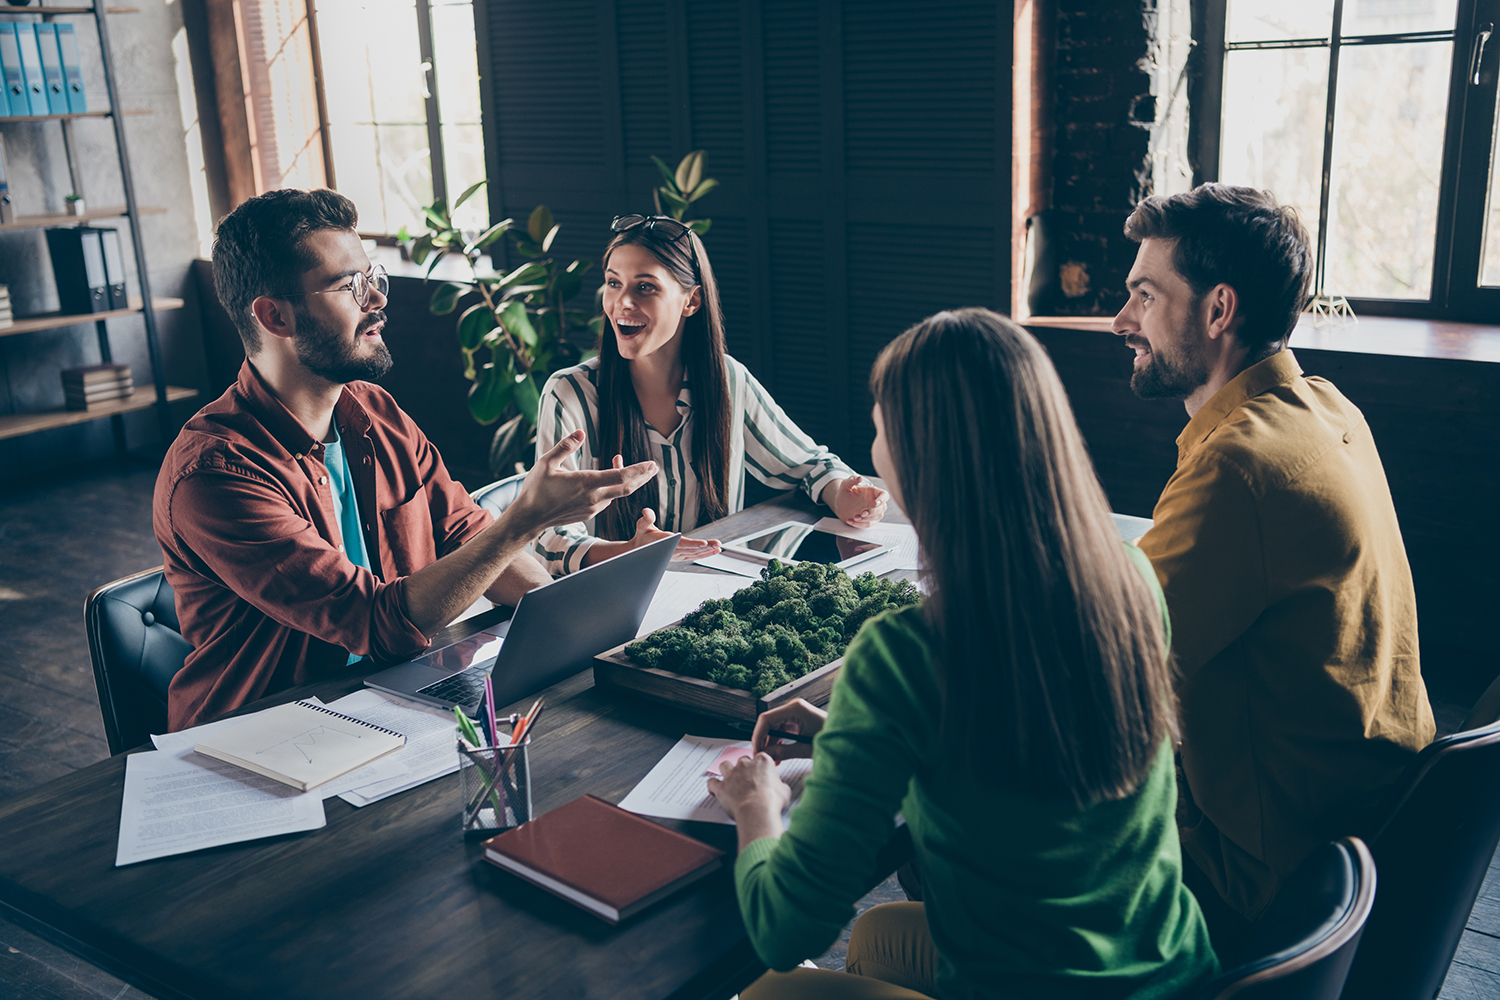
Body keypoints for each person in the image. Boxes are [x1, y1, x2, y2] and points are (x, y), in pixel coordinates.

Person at [708, 308, 1218, 1000]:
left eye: (881, 428)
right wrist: (853, 740)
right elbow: (1025, 746)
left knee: (774, 988)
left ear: (921, 459)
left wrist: (754, 803)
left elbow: (787, 930)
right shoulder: (1132, 579)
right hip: (1170, 976)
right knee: (874, 936)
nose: (874, 445)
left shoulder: (904, 653)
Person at [155, 190, 655, 731]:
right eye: (350, 286)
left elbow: (467, 533)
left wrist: (577, 619)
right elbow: (374, 620)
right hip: (258, 738)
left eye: (373, 279)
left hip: (384, 700)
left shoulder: (375, 413)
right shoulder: (214, 474)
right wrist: (526, 519)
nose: (376, 301)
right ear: (274, 315)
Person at [1111, 183, 1434, 944]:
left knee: (955, 832)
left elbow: (1098, 667)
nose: (1121, 321)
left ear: (1218, 310)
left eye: (1144, 296)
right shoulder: (1326, 407)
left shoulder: (1239, 468)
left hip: (1257, 884)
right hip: (1365, 840)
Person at [532, 214, 886, 574]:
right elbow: (547, 538)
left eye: (645, 287)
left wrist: (842, 494)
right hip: (612, 601)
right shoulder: (569, 394)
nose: (622, 302)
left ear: (692, 301)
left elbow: (807, 465)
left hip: (715, 595)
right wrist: (631, 551)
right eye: (612, 283)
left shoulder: (728, 379)